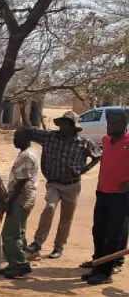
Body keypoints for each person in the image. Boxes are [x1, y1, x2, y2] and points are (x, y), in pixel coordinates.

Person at [24, 111, 101, 259]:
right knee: (49, 207)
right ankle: (38, 242)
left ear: (73, 127)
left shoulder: (83, 142)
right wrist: (23, 111)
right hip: (54, 183)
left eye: (66, 124)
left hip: (72, 185)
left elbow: (98, 155)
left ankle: (58, 247)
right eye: (62, 124)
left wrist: (85, 169)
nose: (62, 127)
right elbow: (30, 132)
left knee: (66, 218)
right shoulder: (50, 137)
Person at [81, 110, 129, 285]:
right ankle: (98, 266)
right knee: (98, 231)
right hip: (102, 193)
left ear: (124, 125)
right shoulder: (106, 141)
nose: (110, 126)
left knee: (113, 235)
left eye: (114, 123)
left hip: (121, 197)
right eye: (109, 123)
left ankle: (106, 272)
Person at [0, 129, 40, 279]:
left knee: (10, 234)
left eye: (18, 137)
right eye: (14, 136)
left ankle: (21, 264)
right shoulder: (28, 152)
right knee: (19, 231)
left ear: (27, 138)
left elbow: (21, 182)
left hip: (21, 199)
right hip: (25, 198)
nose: (14, 139)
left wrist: (9, 201)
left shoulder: (27, 155)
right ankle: (14, 263)